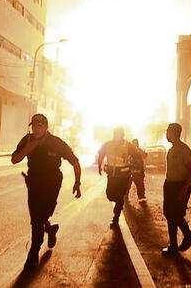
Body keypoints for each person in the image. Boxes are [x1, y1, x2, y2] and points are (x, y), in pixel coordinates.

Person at [12, 114, 82, 269]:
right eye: (34, 126)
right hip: (34, 183)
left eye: (39, 126)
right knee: (36, 218)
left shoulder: (56, 143)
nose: (36, 129)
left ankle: (49, 229)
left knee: (43, 214)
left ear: (45, 127)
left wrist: (77, 183)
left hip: (52, 183)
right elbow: (14, 159)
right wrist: (27, 149)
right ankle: (34, 251)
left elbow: (75, 162)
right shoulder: (27, 140)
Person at [162, 123, 191, 255]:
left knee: (174, 215)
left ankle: (179, 242)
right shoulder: (172, 148)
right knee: (169, 215)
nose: (166, 134)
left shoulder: (183, 149)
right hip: (170, 185)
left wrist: (184, 190)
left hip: (179, 186)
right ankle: (178, 242)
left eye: (167, 132)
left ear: (173, 133)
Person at [98, 127, 134, 228]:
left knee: (119, 196)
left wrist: (134, 164)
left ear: (122, 135)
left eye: (119, 134)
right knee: (110, 195)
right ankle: (119, 204)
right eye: (116, 134)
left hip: (124, 176)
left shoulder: (127, 145)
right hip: (112, 175)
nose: (117, 136)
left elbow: (136, 155)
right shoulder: (108, 144)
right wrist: (99, 167)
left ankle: (116, 218)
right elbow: (101, 155)